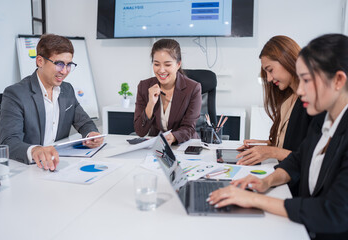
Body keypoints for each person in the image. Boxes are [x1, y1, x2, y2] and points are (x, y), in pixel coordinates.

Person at [207, 34, 348, 239]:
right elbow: (298, 160)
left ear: (338, 80)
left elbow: (334, 212)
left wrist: (255, 200)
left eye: (306, 80)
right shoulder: (323, 122)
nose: (299, 89)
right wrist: (266, 181)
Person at [0, 34, 103, 171]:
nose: (64, 71)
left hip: (60, 164)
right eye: (59, 64)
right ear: (40, 61)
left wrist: (92, 134)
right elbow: (9, 142)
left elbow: (84, 122)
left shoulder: (67, 89)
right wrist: (35, 150)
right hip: (29, 167)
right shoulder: (16, 94)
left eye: (69, 65)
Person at [236, 36, 312, 166]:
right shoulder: (288, 99)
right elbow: (291, 143)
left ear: (288, 60)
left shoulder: (311, 102)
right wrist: (265, 146)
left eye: (270, 70)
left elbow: (310, 157)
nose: (269, 79)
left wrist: (271, 151)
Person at [134, 39, 202, 145]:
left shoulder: (193, 88)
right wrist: (150, 104)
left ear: (178, 64)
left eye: (167, 65)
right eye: (156, 64)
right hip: (157, 146)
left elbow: (189, 127)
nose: (161, 70)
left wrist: (174, 137)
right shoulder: (144, 86)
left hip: (185, 145)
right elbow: (140, 131)